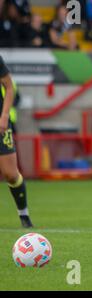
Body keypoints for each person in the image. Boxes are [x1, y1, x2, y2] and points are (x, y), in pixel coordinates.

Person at [0, 55, 33, 228]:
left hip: (1, 124)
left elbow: (9, 87)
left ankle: (24, 214)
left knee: (11, 174)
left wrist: (4, 116)